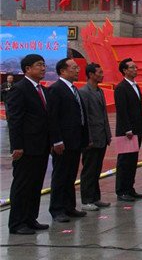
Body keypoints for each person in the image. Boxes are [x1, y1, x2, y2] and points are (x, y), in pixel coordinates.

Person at [7, 54, 52, 234]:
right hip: (26, 147)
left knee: (35, 184)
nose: (43, 68)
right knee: (23, 185)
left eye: (44, 65)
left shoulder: (42, 90)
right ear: (27, 69)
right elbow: (15, 120)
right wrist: (17, 146)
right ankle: (17, 223)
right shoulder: (19, 89)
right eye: (39, 65)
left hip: (41, 146)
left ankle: (30, 218)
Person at [48, 58, 89, 222]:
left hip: (75, 140)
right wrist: (56, 140)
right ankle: (57, 209)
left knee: (70, 175)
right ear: (63, 71)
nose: (78, 70)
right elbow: (53, 118)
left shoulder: (73, 89)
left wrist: (85, 138)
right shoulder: (56, 89)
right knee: (60, 176)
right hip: (63, 142)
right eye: (74, 68)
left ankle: (69, 206)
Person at [79, 63, 111, 211]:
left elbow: (103, 115)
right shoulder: (84, 92)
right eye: (99, 72)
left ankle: (95, 197)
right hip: (91, 138)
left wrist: (107, 134)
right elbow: (84, 117)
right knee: (89, 170)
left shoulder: (99, 91)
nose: (102, 75)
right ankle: (86, 200)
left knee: (97, 169)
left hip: (101, 136)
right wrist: (88, 138)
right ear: (91, 74)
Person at [114, 58, 142, 202]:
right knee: (124, 162)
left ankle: (130, 188)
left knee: (133, 161)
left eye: (135, 67)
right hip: (126, 132)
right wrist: (127, 128)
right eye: (132, 67)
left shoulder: (135, 86)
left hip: (136, 129)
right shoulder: (121, 88)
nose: (135, 69)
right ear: (125, 71)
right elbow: (122, 110)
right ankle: (122, 190)